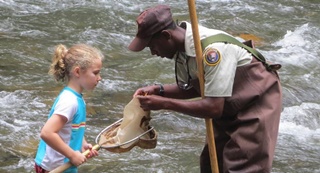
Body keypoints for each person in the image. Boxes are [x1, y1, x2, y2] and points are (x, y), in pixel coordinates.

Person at [128, 4, 282, 173]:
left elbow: (213, 108)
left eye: (152, 46)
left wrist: (164, 103)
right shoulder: (181, 49)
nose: (153, 53)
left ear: (166, 35)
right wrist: (160, 90)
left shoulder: (212, 51)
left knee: (241, 166)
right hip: (228, 103)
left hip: (255, 103)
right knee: (211, 164)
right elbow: (201, 87)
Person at [34, 44, 103, 173]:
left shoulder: (77, 98)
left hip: (64, 166)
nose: (99, 78)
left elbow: (71, 127)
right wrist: (72, 154)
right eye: (95, 73)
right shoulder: (69, 101)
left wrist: (82, 144)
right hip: (53, 168)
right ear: (77, 72)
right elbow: (47, 133)